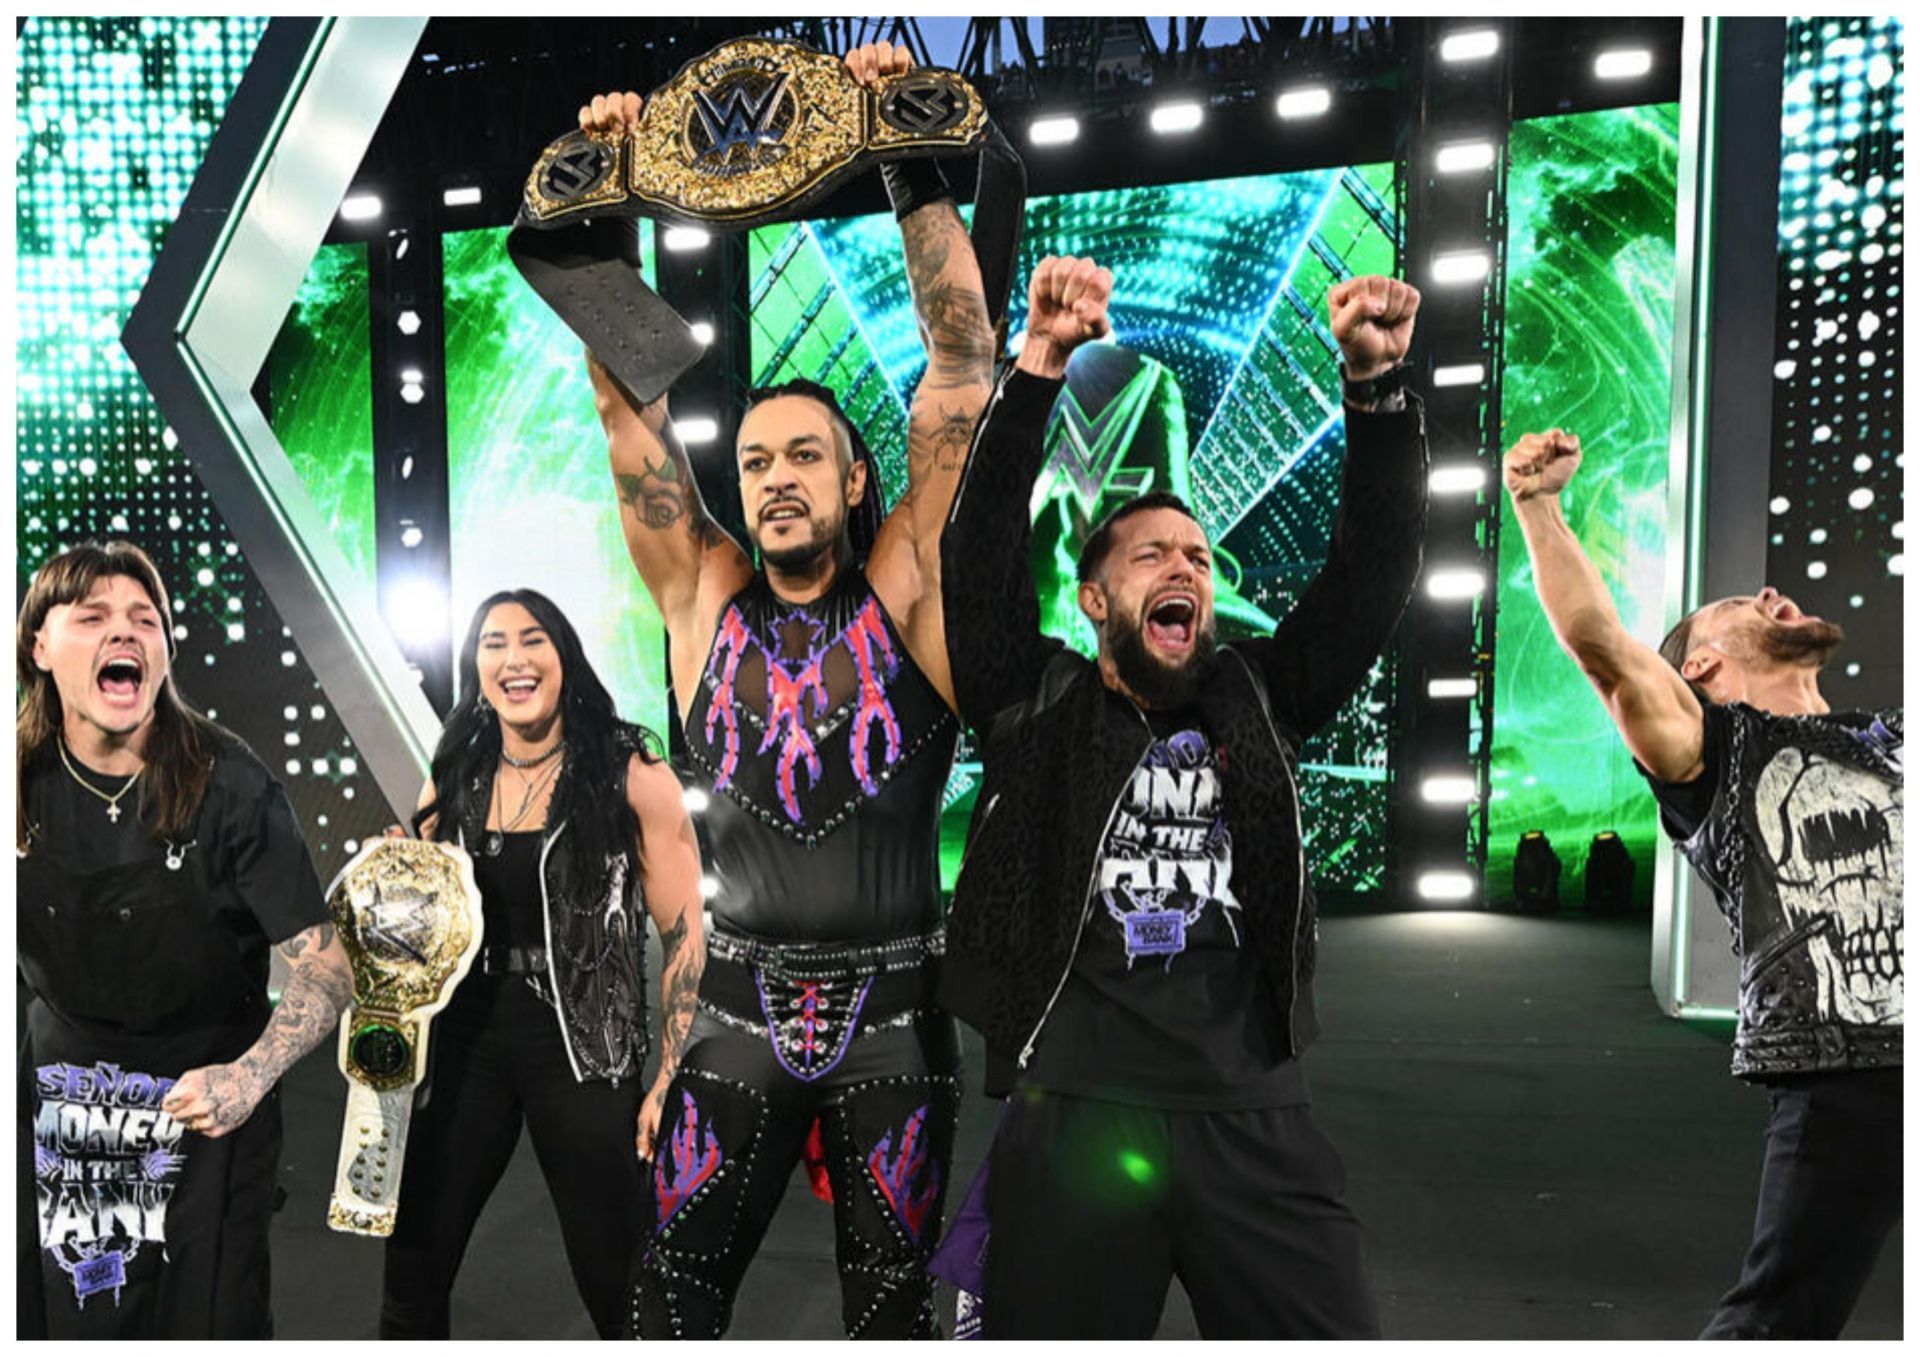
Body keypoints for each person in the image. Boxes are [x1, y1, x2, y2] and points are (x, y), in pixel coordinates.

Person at [579, 39, 997, 1341]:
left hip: (895, 1022)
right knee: (667, 1302)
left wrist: (903, 154)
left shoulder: (907, 590)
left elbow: (963, 372)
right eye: (755, 460)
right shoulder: (702, 597)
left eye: (804, 454)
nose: (773, 478)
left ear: (855, 479)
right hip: (734, 1020)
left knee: (889, 1317)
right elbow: (629, 415)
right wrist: (608, 195)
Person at [936, 259, 1428, 1338]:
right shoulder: (1037, 709)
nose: (1186, 567)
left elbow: (1374, 568)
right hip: (1072, 1112)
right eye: (1153, 551)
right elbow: (974, 561)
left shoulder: (1261, 698)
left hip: (1251, 1114)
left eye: (1199, 555)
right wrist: (1038, 369)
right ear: (1095, 593)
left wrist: (1379, 393)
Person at [1502, 429, 1901, 1339]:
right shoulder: (1716, 755)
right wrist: (1536, 504)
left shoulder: (1895, 738)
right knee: (1780, 1321)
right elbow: (1602, 646)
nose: (1770, 591)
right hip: (1850, 1072)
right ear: (1700, 670)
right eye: (1740, 603)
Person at [16, 541, 354, 1338]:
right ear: (38, 645)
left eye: (145, 619)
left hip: (208, 1104)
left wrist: (250, 1074)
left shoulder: (230, 781)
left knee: (211, 1321)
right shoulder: (15, 777)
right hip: (73, 1101)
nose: (123, 633)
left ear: (166, 649)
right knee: (86, 1317)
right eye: (92, 616)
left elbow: (327, 963)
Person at [379, 589, 704, 1339]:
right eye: (493, 643)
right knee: (413, 1264)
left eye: (532, 640)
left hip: (582, 1043)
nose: (513, 659)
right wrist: (387, 879)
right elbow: (417, 909)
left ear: (564, 656)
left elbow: (686, 934)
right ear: (476, 664)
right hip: (465, 1039)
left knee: (617, 1275)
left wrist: (666, 1073)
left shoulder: (628, 771)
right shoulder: (457, 768)